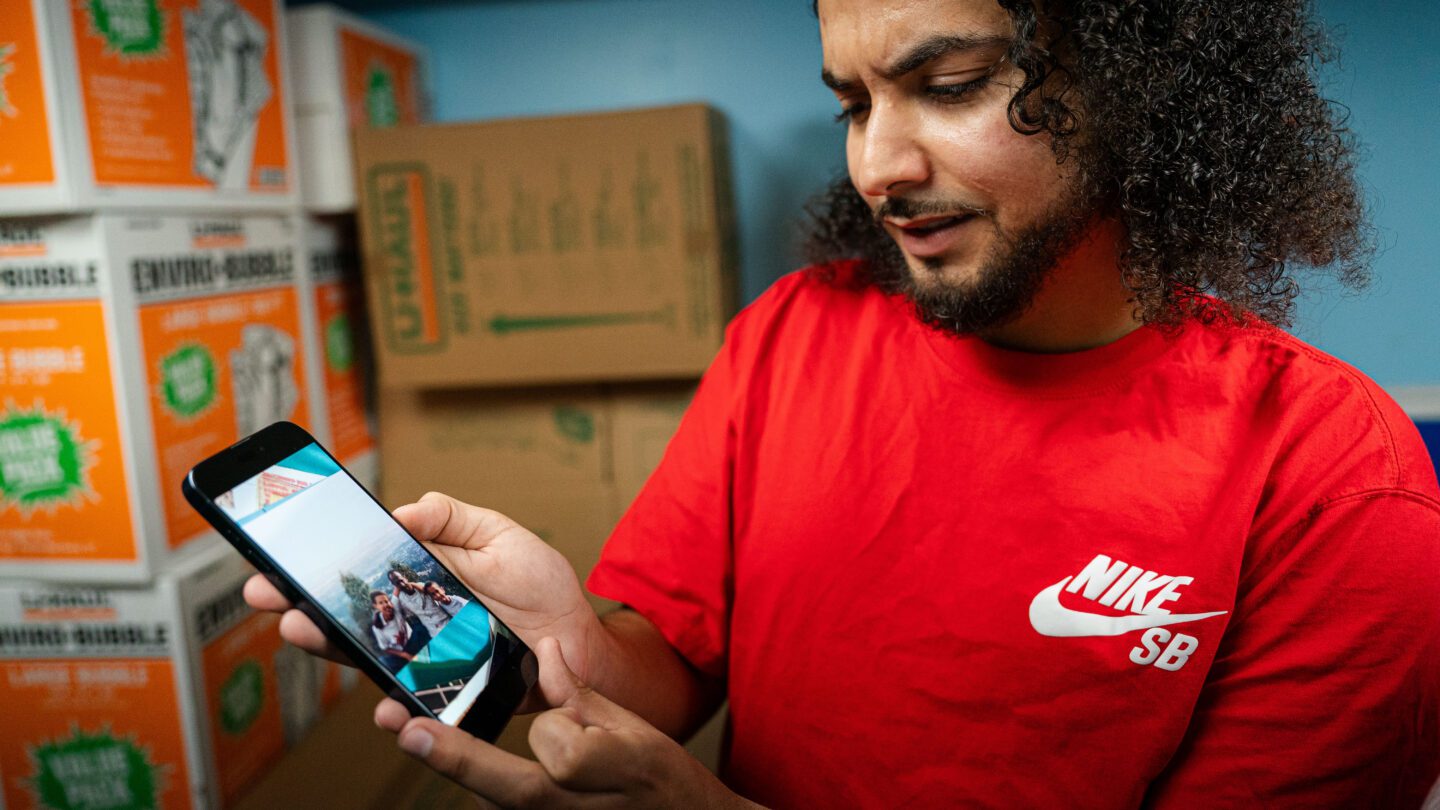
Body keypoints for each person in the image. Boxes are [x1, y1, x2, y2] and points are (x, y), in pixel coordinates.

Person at [246, 0, 1440, 806]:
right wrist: (575, 643)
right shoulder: (793, 332)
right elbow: (673, 665)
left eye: (952, 85)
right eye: (854, 104)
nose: (878, 167)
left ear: (1140, 86)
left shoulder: (1334, 477)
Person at [388, 570, 450, 639]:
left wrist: (413, 584)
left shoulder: (420, 585)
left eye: (398, 578)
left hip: (446, 622)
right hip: (434, 632)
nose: (399, 582)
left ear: (404, 576)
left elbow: (431, 592)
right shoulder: (401, 599)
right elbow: (394, 611)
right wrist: (396, 591)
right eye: (394, 581)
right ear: (394, 585)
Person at [368, 591, 416, 672]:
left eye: (387, 601)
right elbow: (385, 648)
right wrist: (405, 655)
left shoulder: (395, 608)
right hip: (400, 653)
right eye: (381, 603)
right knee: (382, 661)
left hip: (413, 642)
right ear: (375, 606)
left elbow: (397, 589)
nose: (386, 605)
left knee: (420, 630)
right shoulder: (377, 627)